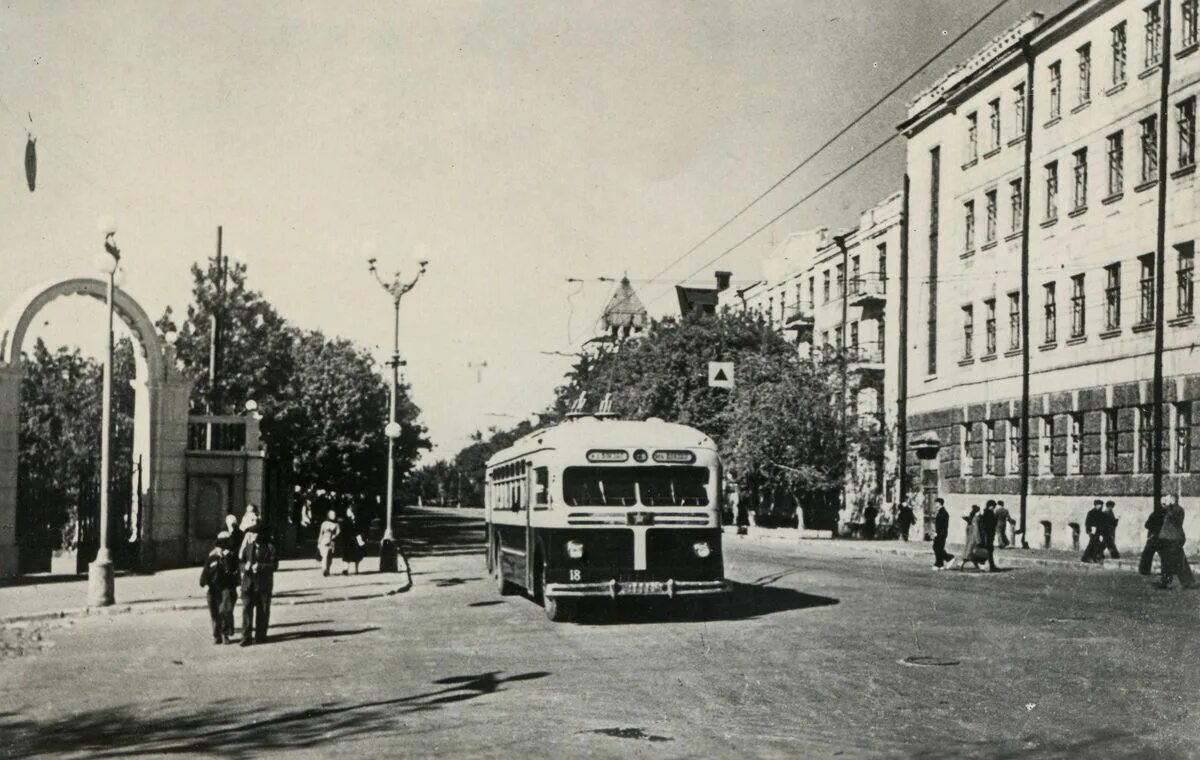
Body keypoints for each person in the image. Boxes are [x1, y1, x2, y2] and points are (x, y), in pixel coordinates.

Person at [239, 525, 278, 645]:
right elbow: (241, 562)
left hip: (263, 585)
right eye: (252, 534)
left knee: (263, 611)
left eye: (256, 534)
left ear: (262, 535)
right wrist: (244, 567)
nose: (253, 536)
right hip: (248, 585)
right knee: (246, 611)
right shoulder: (248, 547)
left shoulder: (270, 548)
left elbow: (274, 565)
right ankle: (246, 637)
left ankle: (260, 636)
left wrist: (260, 566)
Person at [199, 532, 238, 645]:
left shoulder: (231, 556)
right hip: (213, 588)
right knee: (214, 613)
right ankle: (217, 636)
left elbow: (231, 570)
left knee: (225, 611)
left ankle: (225, 634)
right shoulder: (211, 556)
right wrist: (205, 584)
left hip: (227, 587)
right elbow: (205, 573)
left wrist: (226, 557)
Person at [1157, 501, 1196, 589]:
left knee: (1178, 560)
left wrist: (1169, 511)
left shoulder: (1178, 510)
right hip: (1167, 538)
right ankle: (1166, 581)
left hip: (1174, 538)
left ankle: (1186, 581)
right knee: (1167, 560)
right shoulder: (1167, 510)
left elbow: (1177, 521)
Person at [1139, 502, 1166, 576]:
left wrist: (1153, 530)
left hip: (1154, 537)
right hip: (1160, 537)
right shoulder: (1166, 515)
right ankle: (1165, 572)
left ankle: (1144, 570)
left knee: (1147, 554)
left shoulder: (1154, 514)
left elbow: (1147, 525)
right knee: (1164, 555)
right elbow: (1147, 525)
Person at [340, 505, 364, 575]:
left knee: (356, 555)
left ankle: (356, 570)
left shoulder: (357, 520)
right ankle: (346, 569)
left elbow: (359, 531)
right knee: (346, 555)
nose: (347, 513)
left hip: (354, 540)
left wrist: (360, 540)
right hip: (347, 540)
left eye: (349, 511)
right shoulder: (346, 520)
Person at [958, 505, 983, 571]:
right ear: (977, 511)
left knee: (970, 552)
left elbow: (968, 529)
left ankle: (976, 566)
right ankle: (961, 564)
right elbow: (976, 530)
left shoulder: (970, 519)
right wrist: (978, 540)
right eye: (979, 511)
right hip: (974, 538)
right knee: (970, 552)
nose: (980, 512)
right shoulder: (976, 519)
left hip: (969, 538)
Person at [931, 498, 954, 569]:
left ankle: (943, 561)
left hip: (941, 533)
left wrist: (938, 533)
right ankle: (941, 563)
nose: (935, 505)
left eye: (936, 503)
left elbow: (943, 525)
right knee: (937, 548)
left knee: (938, 548)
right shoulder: (940, 512)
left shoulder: (944, 513)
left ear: (940, 504)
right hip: (939, 533)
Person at [317, 510, 340, 576]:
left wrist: (334, 536)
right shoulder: (324, 523)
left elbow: (338, 532)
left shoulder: (336, 524)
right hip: (324, 541)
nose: (333, 516)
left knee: (330, 557)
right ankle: (324, 569)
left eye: (334, 514)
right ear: (328, 515)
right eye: (331, 514)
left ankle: (328, 569)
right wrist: (319, 542)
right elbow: (321, 533)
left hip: (332, 542)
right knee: (325, 555)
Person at [978, 501, 1000, 572]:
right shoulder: (989, 513)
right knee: (989, 550)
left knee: (988, 550)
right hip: (989, 534)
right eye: (993, 506)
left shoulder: (985, 512)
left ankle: (987, 566)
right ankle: (991, 566)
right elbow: (991, 524)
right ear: (991, 506)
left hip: (987, 534)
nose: (994, 508)